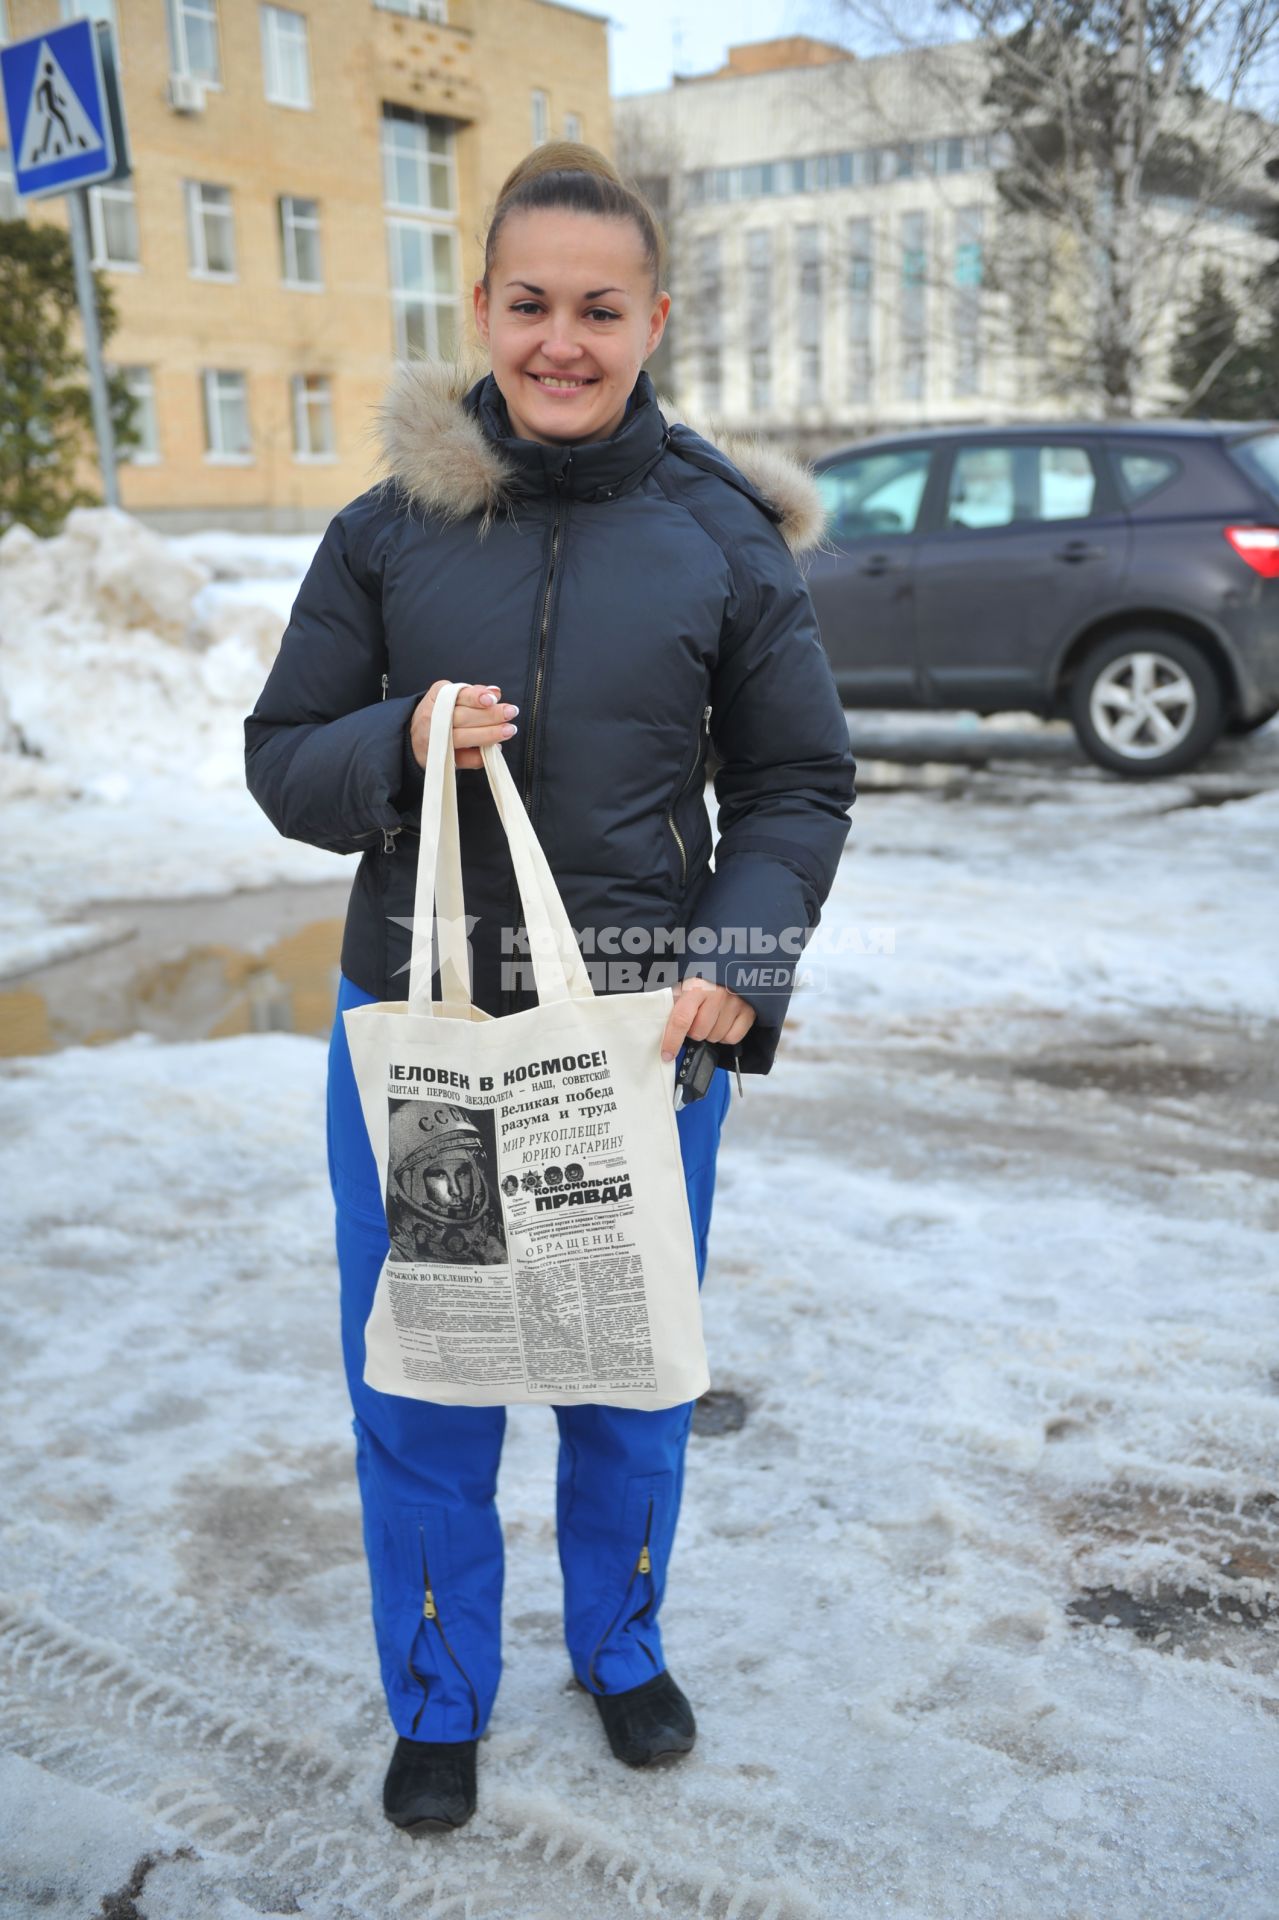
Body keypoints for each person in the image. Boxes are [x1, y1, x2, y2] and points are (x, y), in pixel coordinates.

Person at [243, 141, 855, 1834]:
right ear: (485, 309)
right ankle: (438, 1691)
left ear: (652, 318)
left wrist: (740, 961)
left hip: (642, 1045)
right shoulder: (387, 532)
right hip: (428, 1035)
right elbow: (283, 759)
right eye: (530, 305)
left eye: (600, 309)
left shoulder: (724, 537)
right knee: (428, 1377)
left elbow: (800, 782)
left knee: (627, 1368)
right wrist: (400, 740)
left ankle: (622, 1648)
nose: (562, 342)